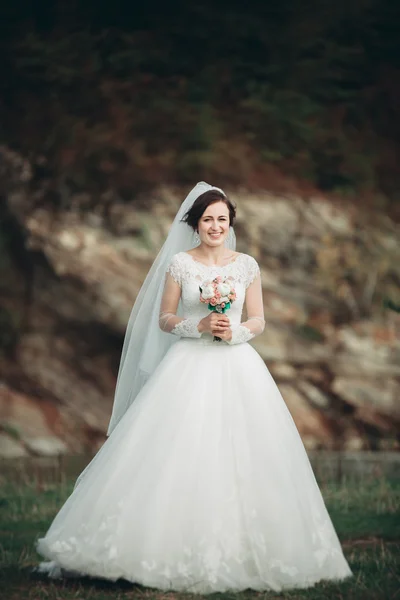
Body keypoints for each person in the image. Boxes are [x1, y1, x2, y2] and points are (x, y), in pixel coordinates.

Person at [36, 182, 352, 593]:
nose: (216, 226)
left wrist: (234, 332)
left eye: (222, 219)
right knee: (175, 450)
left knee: (249, 451)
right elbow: (164, 318)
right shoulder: (180, 265)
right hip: (187, 364)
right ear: (195, 224)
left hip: (238, 364)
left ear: (230, 223)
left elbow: (258, 320)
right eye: (208, 220)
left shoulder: (247, 266)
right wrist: (198, 325)